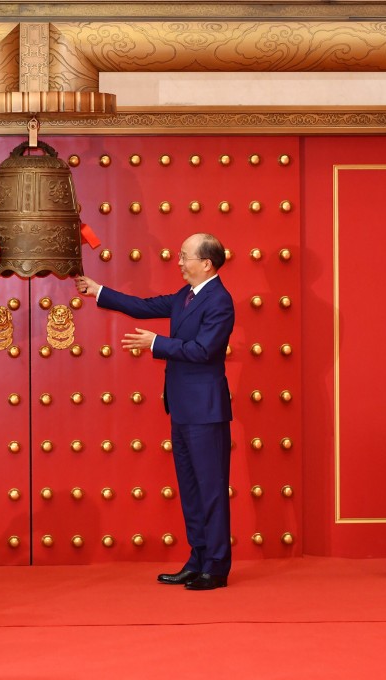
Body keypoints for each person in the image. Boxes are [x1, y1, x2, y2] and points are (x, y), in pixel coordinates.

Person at [76, 232, 235, 591]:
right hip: (181, 408)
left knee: (210, 490)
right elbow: (144, 306)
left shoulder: (220, 301)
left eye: (184, 256)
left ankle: (217, 566)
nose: (178, 262)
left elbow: (204, 350)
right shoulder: (185, 296)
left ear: (206, 263)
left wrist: (156, 343)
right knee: (191, 489)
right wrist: (98, 290)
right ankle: (198, 559)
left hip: (206, 411)